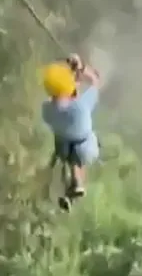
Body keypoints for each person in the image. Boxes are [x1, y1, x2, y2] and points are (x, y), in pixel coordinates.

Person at [41, 54, 100, 212]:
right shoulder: (80, 108)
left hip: (63, 146)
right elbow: (95, 82)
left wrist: (73, 74)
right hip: (84, 145)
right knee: (80, 155)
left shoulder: (47, 109)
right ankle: (76, 184)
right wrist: (81, 69)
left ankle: (71, 188)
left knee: (69, 152)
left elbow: (66, 98)